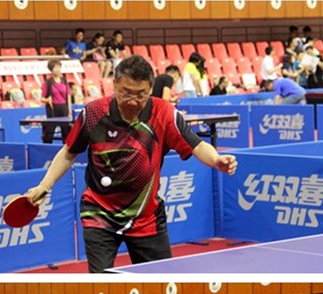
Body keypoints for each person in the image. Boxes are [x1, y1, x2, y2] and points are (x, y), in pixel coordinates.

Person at [24, 55, 237, 272]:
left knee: (159, 283)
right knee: (101, 284)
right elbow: (69, 152)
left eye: (140, 95)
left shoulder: (164, 113)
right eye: (126, 93)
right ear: (114, 85)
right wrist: (45, 185)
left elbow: (197, 145)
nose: (133, 101)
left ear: (150, 89)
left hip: (146, 217)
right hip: (99, 214)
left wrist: (216, 160)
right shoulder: (94, 112)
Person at [40, 60, 71, 144]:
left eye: (59, 67)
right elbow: (42, 98)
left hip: (64, 108)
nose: (58, 69)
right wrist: (47, 100)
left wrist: (69, 111)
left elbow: (68, 96)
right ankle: (47, 148)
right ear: (51, 70)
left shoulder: (64, 81)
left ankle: (66, 150)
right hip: (53, 109)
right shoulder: (48, 83)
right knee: (49, 133)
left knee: (66, 132)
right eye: (55, 68)